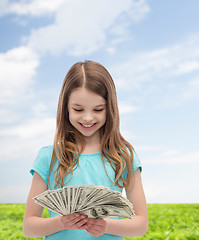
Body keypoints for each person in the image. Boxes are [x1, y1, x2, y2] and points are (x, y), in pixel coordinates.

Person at [23, 61, 148, 240]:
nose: (88, 118)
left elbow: (140, 224)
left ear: (110, 108)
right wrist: (60, 222)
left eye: (98, 109)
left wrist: (106, 226)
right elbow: (29, 227)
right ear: (65, 107)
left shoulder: (124, 156)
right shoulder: (48, 157)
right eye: (78, 109)